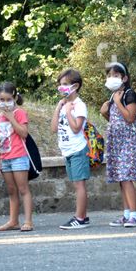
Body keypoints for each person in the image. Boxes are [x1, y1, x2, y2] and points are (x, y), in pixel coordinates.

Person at [101, 62, 136, 227]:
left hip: (128, 141)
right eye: (109, 75)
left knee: (126, 177)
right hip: (116, 141)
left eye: (116, 76)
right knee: (120, 178)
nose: (112, 79)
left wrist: (118, 103)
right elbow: (113, 119)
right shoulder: (113, 96)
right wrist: (105, 111)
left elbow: (130, 118)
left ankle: (135, 215)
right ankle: (126, 214)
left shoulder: (129, 94)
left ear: (124, 78)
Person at [0, 81, 34, 231]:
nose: (4, 103)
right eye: (1, 100)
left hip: (19, 156)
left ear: (15, 98)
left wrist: (11, 117)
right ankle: (13, 221)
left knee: (23, 188)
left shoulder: (19, 113)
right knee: (11, 190)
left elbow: (24, 133)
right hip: (5, 158)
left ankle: (28, 221)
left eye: (8, 99)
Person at [53, 68, 92, 229]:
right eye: (60, 84)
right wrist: (59, 108)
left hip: (77, 149)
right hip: (67, 150)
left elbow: (76, 128)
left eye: (64, 84)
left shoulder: (79, 105)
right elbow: (54, 128)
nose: (61, 87)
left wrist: (69, 111)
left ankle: (80, 218)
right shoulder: (64, 104)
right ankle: (82, 215)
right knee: (76, 184)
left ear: (74, 86)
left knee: (79, 185)